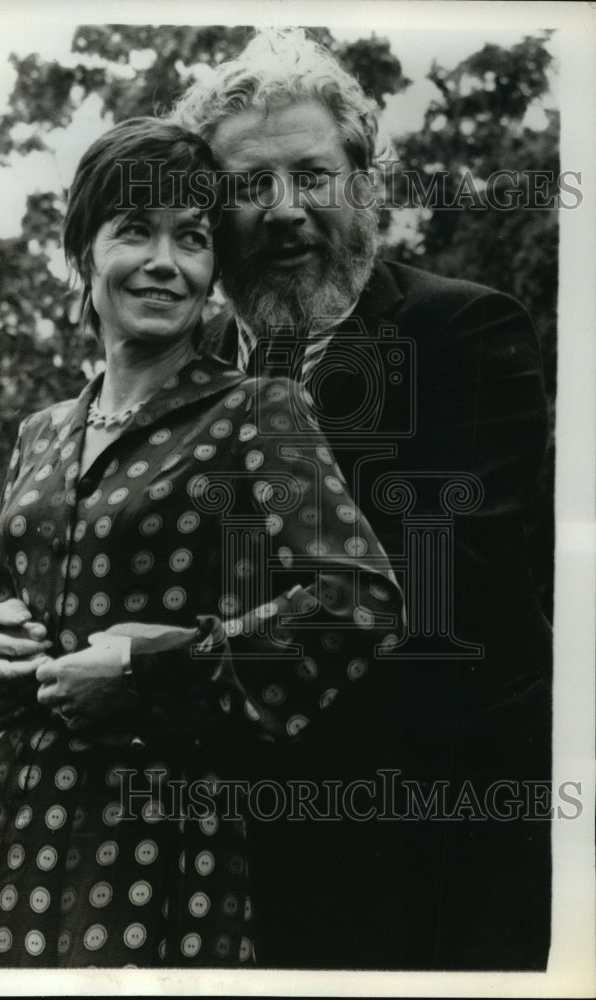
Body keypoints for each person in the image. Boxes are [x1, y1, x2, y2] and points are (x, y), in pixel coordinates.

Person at [0, 116, 404, 969]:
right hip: (1, 829)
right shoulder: (41, 433)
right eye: (135, 231)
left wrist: (158, 667)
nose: (165, 262)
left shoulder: (256, 410)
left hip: (151, 840)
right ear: (83, 256)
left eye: (193, 238)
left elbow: (357, 600)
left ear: (213, 273)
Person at [169, 28, 553, 970]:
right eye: (249, 185)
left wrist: (156, 668)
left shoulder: (460, 332)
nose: (284, 211)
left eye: (312, 174)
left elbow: (429, 596)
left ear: (365, 182)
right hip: (231, 859)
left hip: (421, 851)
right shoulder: (192, 375)